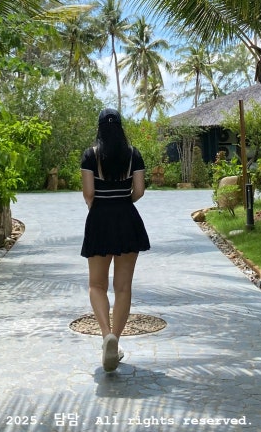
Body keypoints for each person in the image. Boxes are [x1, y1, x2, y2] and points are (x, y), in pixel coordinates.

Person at [81, 107, 150, 372]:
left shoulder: (90, 155)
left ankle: (106, 335)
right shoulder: (133, 154)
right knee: (123, 288)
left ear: (99, 128)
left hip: (99, 218)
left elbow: (89, 193)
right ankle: (116, 342)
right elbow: (139, 191)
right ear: (120, 127)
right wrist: (123, 203)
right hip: (127, 219)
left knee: (96, 285)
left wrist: (99, 209)